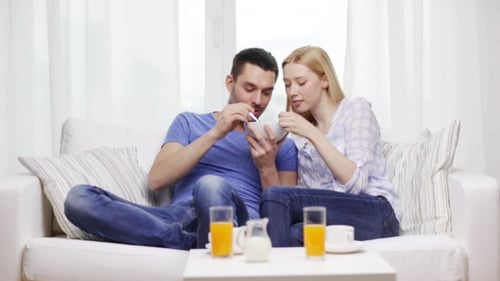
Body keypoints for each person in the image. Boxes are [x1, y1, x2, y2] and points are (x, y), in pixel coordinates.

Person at [64, 47, 298, 250]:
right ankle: (186, 242)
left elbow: (281, 221)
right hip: (177, 217)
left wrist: (267, 166)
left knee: (211, 185)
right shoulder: (189, 122)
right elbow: (157, 180)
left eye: (266, 92)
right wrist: (217, 132)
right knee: (78, 198)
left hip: (236, 221)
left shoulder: (281, 145)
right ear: (230, 82)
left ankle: (206, 241)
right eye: (249, 88)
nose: (258, 100)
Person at [260, 46, 400, 247]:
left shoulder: (355, 109)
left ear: (324, 80)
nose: (293, 92)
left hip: (376, 213)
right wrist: (271, 157)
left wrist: (312, 133)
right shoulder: (298, 139)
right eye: (287, 84)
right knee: (292, 232)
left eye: (301, 83)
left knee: (276, 197)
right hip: (332, 218)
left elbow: (356, 182)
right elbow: (301, 197)